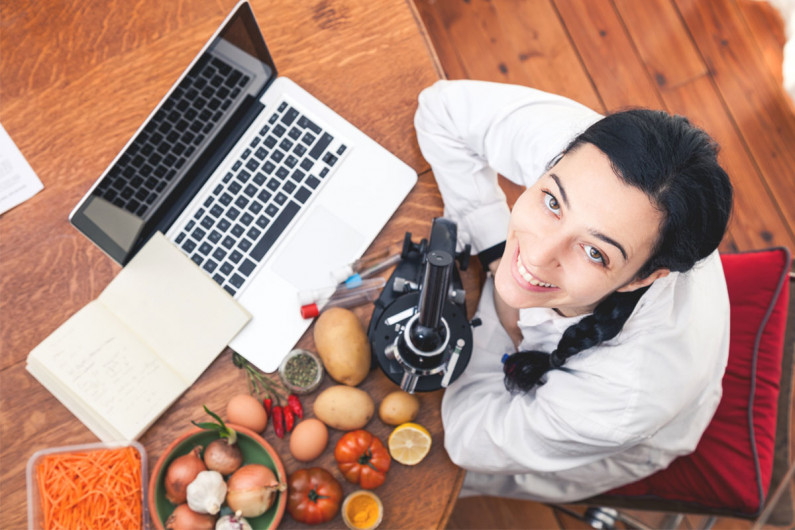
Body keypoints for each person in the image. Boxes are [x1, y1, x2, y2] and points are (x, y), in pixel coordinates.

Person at [414, 80, 734, 502]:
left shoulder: (621, 400)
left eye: (594, 252)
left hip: (611, 436)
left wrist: (504, 300)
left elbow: (468, 434)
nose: (539, 254)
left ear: (643, 277)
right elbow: (442, 111)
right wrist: (496, 252)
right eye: (551, 202)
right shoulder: (599, 164)